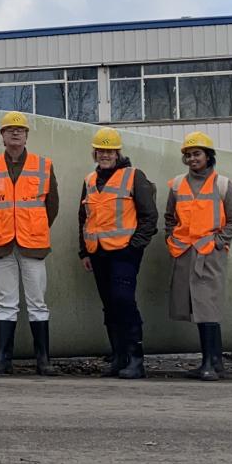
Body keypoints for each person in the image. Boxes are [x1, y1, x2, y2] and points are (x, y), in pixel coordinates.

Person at [0, 111, 59, 376]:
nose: (15, 133)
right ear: (1, 136)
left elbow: (52, 206)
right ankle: (3, 360)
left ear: (26, 136)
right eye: (9, 129)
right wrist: (2, 228)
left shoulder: (43, 165)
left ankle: (43, 361)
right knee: (6, 301)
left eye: (20, 129)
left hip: (32, 244)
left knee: (37, 302)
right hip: (3, 244)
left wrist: (32, 228)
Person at [78, 127, 159, 379]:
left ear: (117, 152)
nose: (105, 155)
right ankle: (118, 358)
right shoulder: (90, 180)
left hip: (124, 253)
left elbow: (149, 216)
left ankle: (136, 360)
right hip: (98, 252)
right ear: (95, 153)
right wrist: (84, 252)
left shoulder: (134, 176)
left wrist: (135, 246)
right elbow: (83, 217)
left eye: (109, 151)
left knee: (124, 302)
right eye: (100, 151)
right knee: (110, 305)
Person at [165, 131, 232, 381]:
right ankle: (213, 362)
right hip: (186, 252)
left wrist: (218, 243)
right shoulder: (177, 185)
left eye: (196, 154)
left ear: (209, 156)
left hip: (210, 254)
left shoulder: (223, 184)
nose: (192, 159)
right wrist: (173, 240)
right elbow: (169, 218)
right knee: (198, 308)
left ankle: (210, 363)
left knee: (207, 306)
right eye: (188, 155)